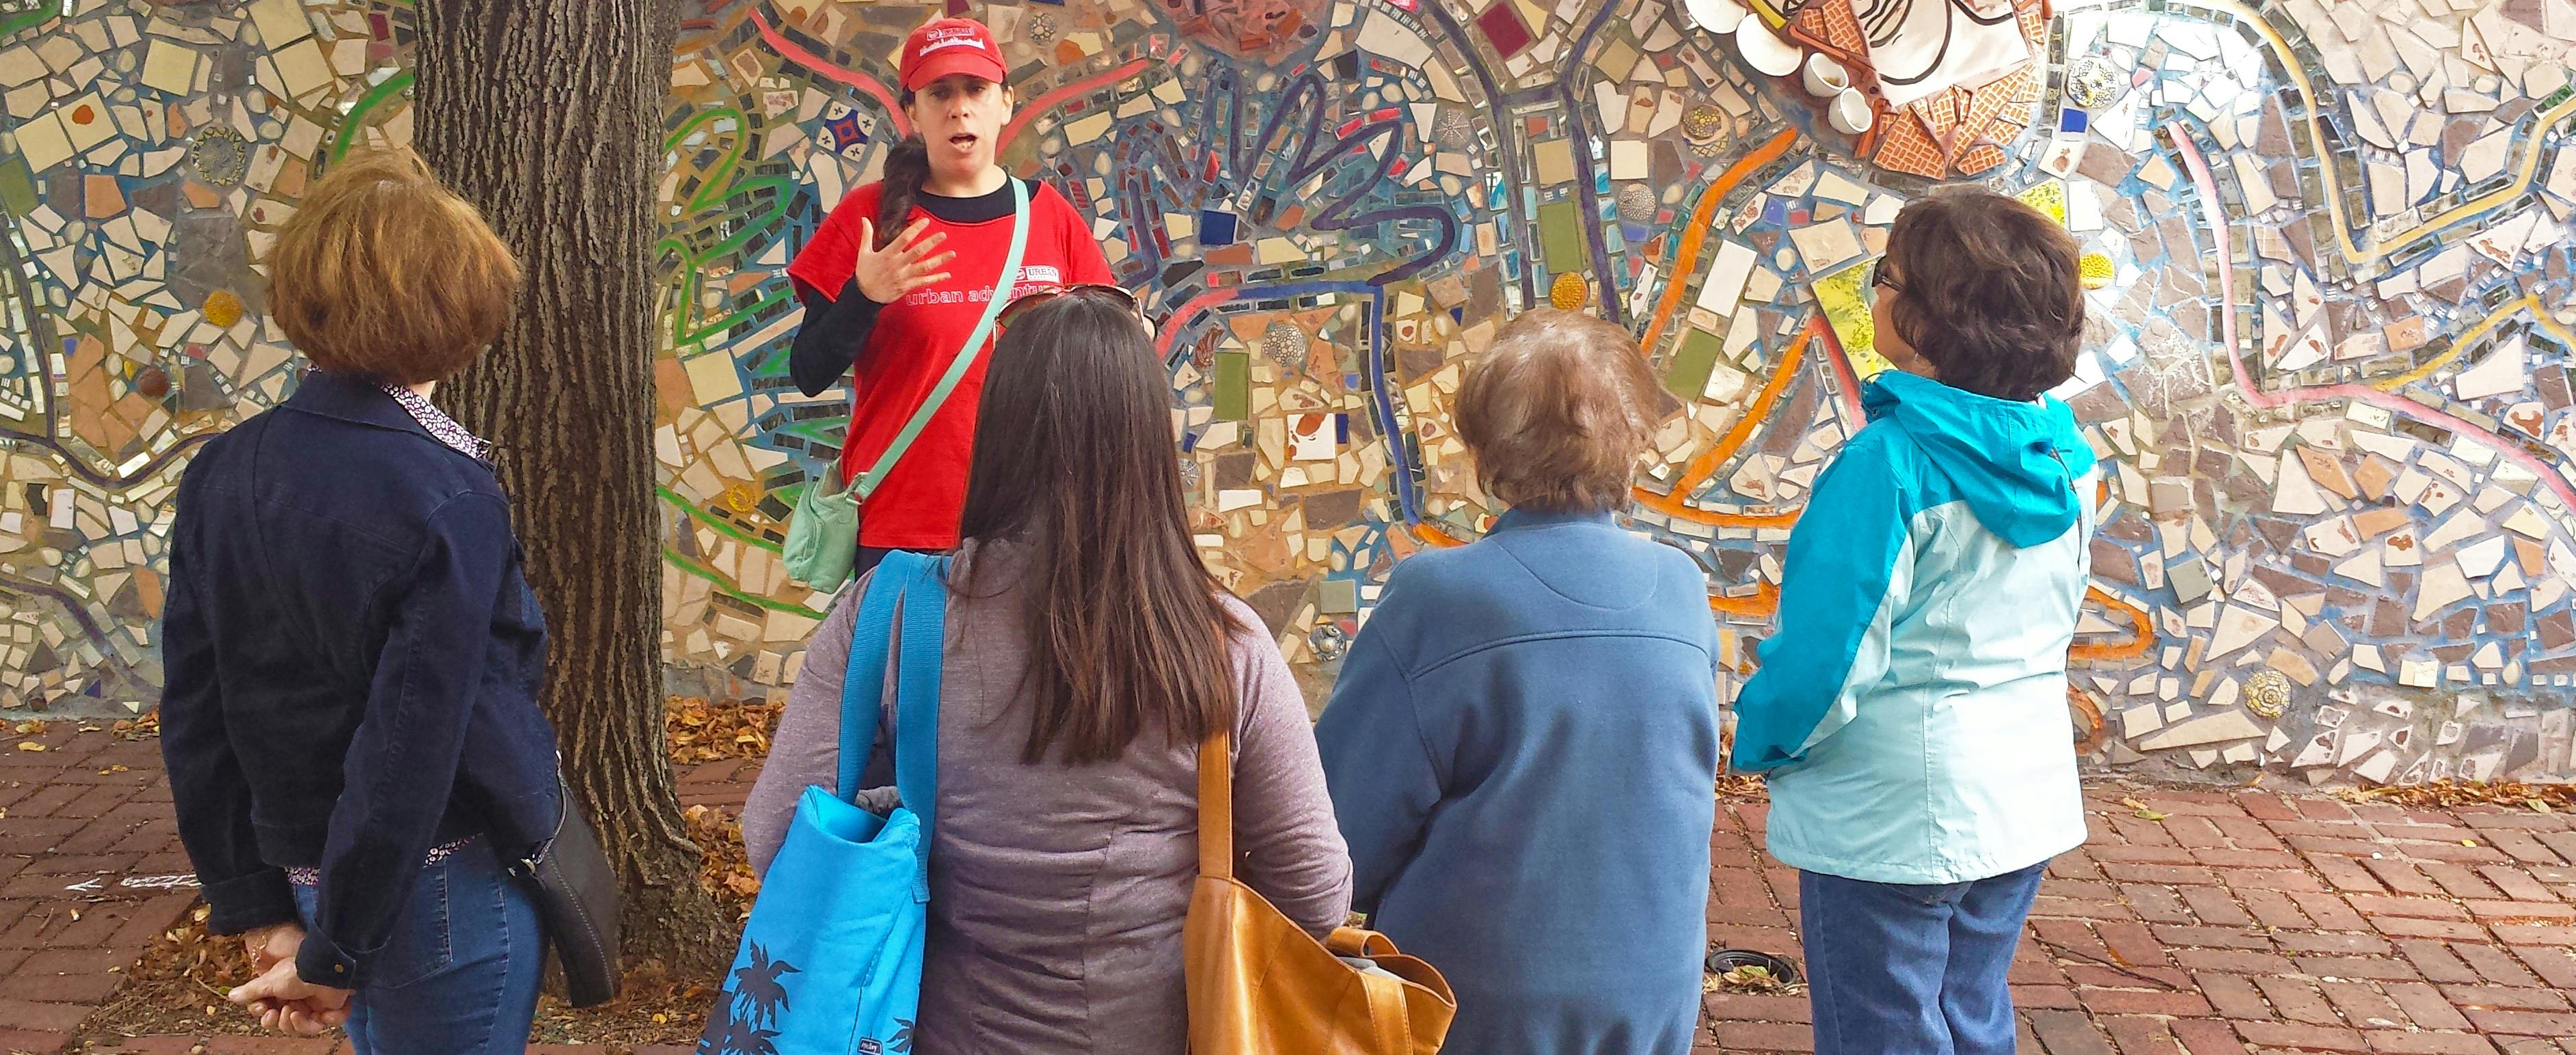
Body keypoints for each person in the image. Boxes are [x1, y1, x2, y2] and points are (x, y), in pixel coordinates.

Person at [744, 290, 1352, 1054]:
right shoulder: (1227, 646)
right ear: (1151, 446)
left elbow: (773, 840)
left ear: (995, 432)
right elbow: (1316, 894)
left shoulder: (890, 615)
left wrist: (911, 802)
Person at [160, 148, 558, 1055]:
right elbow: (411, 743)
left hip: (315, 880)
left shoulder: (222, 471)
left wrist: (266, 906)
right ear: (458, 309)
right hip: (439, 883)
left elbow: (195, 709)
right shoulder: (447, 493)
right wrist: (336, 948)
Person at [1730, 186, 2098, 1055]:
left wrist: (1764, 738)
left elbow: (1830, 657)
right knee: (1971, 1016)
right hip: (2022, 797)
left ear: (1935, 321)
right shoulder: (2070, 459)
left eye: (1883, 277)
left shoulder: (1885, 467)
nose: (1874, 293)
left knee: (1881, 1031)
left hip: (1889, 818)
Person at [1315, 308, 1717, 1055]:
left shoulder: (1440, 596)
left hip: (1474, 1004)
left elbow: (1337, 836)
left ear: (1485, 447)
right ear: (1634, 437)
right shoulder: (1682, 586)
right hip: (1652, 988)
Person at [787, 15, 1116, 575]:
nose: (959, 108)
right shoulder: (867, 218)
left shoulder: (1049, 216)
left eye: (976, 90)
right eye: (939, 93)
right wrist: (865, 296)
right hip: (901, 532)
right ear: (913, 112)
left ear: (1006, 103)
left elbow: (1107, 354)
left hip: (1033, 528)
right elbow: (807, 371)